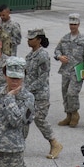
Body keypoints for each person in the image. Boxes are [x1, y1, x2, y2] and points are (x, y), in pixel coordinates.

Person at [25, 28, 63, 159]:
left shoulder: (43, 56)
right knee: (24, 119)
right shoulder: (29, 56)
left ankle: (54, 143)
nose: (29, 41)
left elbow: (42, 78)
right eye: (28, 38)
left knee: (39, 119)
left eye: (31, 39)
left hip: (40, 95)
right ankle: (18, 144)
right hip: (29, 95)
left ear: (39, 40)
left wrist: (28, 88)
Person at [53, 12, 84, 128]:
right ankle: (68, 115)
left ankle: (75, 114)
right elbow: (57, 51)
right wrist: (59, 57)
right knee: (65, 93)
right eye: (71, 24)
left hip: (78, 70)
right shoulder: (65, 38)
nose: (72, 26)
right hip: (66, 70)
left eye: (75, 24)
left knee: (72, 93)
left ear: (79, 24)